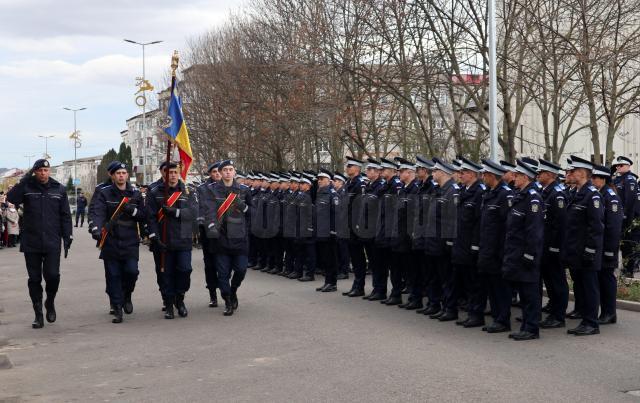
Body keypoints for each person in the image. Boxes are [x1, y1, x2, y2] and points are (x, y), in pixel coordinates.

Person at [7, 159, 73, 329]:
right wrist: (25, 178)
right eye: (40, 170)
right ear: (35, 172)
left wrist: (67, 237)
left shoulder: (58, 189)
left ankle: (49, 301)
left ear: (49, 171)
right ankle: (38, 314)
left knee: (52, 276)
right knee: (34, 279)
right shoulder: (27, 187)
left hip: (52, 241)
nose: (43, 173)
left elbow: (65, 215)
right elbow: (12, 197)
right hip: (32, 241)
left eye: (46, 170)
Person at [89, 162, 144, 323]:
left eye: (123, 172)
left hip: (130, 239)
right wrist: (97, 229)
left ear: (127, 175)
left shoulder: (135, 193)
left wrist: (132, 210)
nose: (121, 175)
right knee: (113, 275)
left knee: (132, 272)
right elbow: (97, 212)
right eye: (118, 173)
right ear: (112, 175)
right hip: (111, 239)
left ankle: (127, 295)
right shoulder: (104, 193)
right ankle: (117, 307)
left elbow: (143, 215)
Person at [147, 162, 198, 319]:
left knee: (185, 270)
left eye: (175, 172)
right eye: (170, 173)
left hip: (183, 238)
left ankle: (180, 299)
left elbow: (194, 212)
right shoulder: (155, 192)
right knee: (166, 274)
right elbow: (150, 217)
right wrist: (154, 237)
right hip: (164, 240)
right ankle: (169, 304)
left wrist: (176, 212)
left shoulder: (188, 191)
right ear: (164, 174)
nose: (173, 175)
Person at [201, 159, 252, 316]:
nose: (228, 172)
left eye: (231, 169)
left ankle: (234, 290)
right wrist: (211, 227)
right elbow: (208, 211)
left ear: (234, 172)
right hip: (220, 238)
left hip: (239, 237)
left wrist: (242, 206)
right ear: (220, 173)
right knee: (222, 274)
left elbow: (251, 212)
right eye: (225, 170)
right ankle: (228, 300)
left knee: (241, 270)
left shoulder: (244, 190)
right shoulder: (211, 190)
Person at [502, 160, 544, 340]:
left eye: (517, 175)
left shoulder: (533, 198)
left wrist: (529, 254)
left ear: (525, 177)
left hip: (526, 253)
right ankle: (527, 325)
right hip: (516, 251)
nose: (513, 178)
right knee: (524, 292)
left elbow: (534, 230)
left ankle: (532, 328)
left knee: (530, 292)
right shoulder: (521, 195)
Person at [562, 155, 604, 336]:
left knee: (590, 287)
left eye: (572, 171)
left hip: (587, 251)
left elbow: (596, 227)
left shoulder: (592, 195)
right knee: (581, 286)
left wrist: (590, 250)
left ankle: (592, 323)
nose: (569, 174)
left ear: (581, 173)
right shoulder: (577, 193)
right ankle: (585, 319)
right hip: (575, 249)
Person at [477, 159, 514, 333]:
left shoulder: (505, 194)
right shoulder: (489, 193)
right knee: (492, 285)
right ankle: (497, 317)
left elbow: (508, 226)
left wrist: (502, 251)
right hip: (487, 249)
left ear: (492, 176)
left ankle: (503, 319)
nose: (482, 177)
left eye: (485, 175)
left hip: (498, 251)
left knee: (501, 287)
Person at [424, 158, 460, 320]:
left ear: (443, 173)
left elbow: (451, 220)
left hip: (442, 243)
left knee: (447, 278)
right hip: (433, 241)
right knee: (434, 276)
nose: (432, 173)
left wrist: (448, 243)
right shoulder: (438, 189)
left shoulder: (452, 190)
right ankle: (436, 304)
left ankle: (450, 309)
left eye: (435, 171)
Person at [451, 158, 486, 327]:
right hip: (461, 242)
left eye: (462, 173)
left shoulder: (479, 192)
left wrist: (475, 244)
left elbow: (479, 222)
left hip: (471, 244)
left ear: (472, 174)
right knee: (466, 280)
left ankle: (477, 314)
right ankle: (471, 312)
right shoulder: (464, 190)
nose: (460, 175)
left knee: (475, 282)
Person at [537, 159, 569, 329]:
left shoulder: (557, 194)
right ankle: (553, 311)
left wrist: (555, 247)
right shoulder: (545, 192)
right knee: (549, 280)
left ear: (549, 175)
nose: (538, 175)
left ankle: (558, 315)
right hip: (545, 244)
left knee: (557, 281)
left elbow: (561, 224)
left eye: (540, 173)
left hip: (554, 246)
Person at [592, 164, 623, 325]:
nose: (592, 180)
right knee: (601, 278)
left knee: (606, 279)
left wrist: (610, 250)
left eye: (595, 177)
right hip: (601, 245)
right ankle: (605, 311)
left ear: (603, 179)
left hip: (607, 246)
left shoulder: (611, 197)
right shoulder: (600, 194)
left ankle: (609, 312)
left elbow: (613, 227)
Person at [343, 156, 367, 297]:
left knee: (358, 258)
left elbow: (361, 207)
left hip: (356, 227)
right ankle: (356, 285)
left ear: (357, 168)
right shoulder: (349, 183)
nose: (347, 168)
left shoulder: (360, 184)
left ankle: (360, 286)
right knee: (354, 256)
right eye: (347, 166)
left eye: (350, 166)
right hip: (348, 225)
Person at [197, 162, 221, 308]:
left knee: (224, 262)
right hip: (208, 232)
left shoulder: (229, 188)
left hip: (226, 232)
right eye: (214, 172)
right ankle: (213, 294)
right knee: (210, 264)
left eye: (219, 171)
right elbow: (199, 207)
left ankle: (227, 290)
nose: (217, 174)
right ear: (210, 174)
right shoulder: (202, 189)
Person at [315, 168, 340, 292]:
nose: (319, 181)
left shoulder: (332, 194)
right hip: (321, 231)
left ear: (329, 181)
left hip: (330, 232)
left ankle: (332, 283)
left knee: (331, 258)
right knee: (325, 258)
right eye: (318, 179)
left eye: (321, 179)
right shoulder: (320, 193)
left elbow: (335, 214)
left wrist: (333, 231)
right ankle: (327, 281)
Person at [612, 156, 638, 278]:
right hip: (618, 217)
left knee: (628, 245)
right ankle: (624, 267)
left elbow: (630, 202)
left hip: (626, 218)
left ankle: (629, 269)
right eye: (617, 165)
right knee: (622, 244)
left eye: (621, 165)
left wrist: (627, 219)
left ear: (628, 166)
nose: (618, 167)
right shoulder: (617, 180)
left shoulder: (630, 179)